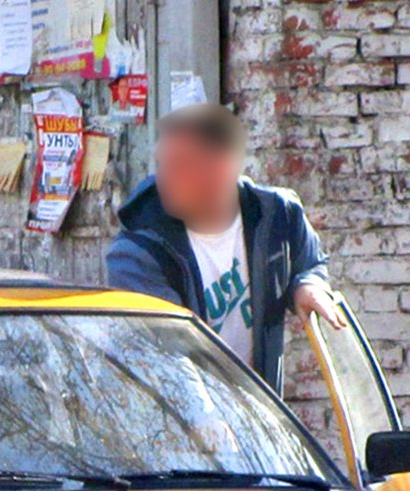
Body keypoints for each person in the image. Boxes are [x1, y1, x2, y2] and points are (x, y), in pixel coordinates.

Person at [106, 103, 344, 392]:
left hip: (259, 414)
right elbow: (169, 359)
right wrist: (210, 427)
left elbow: (310, 264)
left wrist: (308, 287)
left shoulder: (278, 215)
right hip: (182, 419)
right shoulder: (137, 253)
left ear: (221, 170)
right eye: (161, 164)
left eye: (179, 165)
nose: (162, 179)